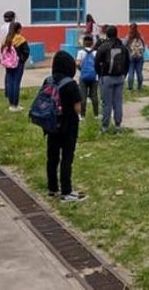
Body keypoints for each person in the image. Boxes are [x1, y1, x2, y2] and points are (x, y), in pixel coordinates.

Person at [43, 51, 86, 202]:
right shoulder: (70, 84)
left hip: (51, 124)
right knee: (66, 158)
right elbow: (77, 107)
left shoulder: (48, 81)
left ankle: (52, 188)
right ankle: (66, 191)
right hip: (68, 126)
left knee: (52, 157)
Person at [94, 25, 129, 134]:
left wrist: (100, 74)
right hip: (119, 77)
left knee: (106, 103)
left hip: (106, 77)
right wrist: (124, 74)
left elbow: (96, 62)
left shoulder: (103, 46)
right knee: (118, 102)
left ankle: (105, 127)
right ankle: (118, 126)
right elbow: (127, 62)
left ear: (107, 34)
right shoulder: (122, 47)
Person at [1, 22, 29, 111]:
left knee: (10, 82)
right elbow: (26, 51)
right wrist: (22, 59)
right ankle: (15, 105)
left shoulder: (7, 39)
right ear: (18, 30)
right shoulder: (21, 39)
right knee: (16, 83)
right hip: (18, 64)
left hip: (8, 64)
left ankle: (10, 104)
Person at [75, 35, 99, 120]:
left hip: (83, 77)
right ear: (92, 43)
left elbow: (77, 64)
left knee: (83, 96)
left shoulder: (80, 52)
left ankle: (82, 115)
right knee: (94, 96)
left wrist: (82, 70)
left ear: (84, 43)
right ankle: (96, 114)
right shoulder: (96, 52)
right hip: (94, 77)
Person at [123, 23, 146, 91]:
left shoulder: (128, 37)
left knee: (131, 72)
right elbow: (144, 47)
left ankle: (130, 88)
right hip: (140, 57)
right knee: (139, 72)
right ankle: (139, 87)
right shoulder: (140, 37)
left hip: (131, 57)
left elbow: (124, 46)